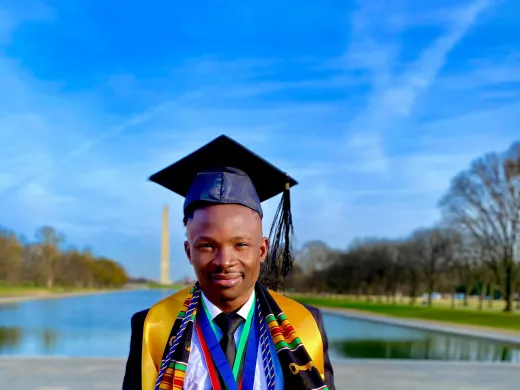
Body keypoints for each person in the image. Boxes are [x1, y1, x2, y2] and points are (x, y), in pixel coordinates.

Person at [122, 135, 335, 390]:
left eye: (241, 245)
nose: (224, 261)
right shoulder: (152, 326)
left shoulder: (304, 324)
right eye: (207, 246)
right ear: (189, 252)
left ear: (262, 249)